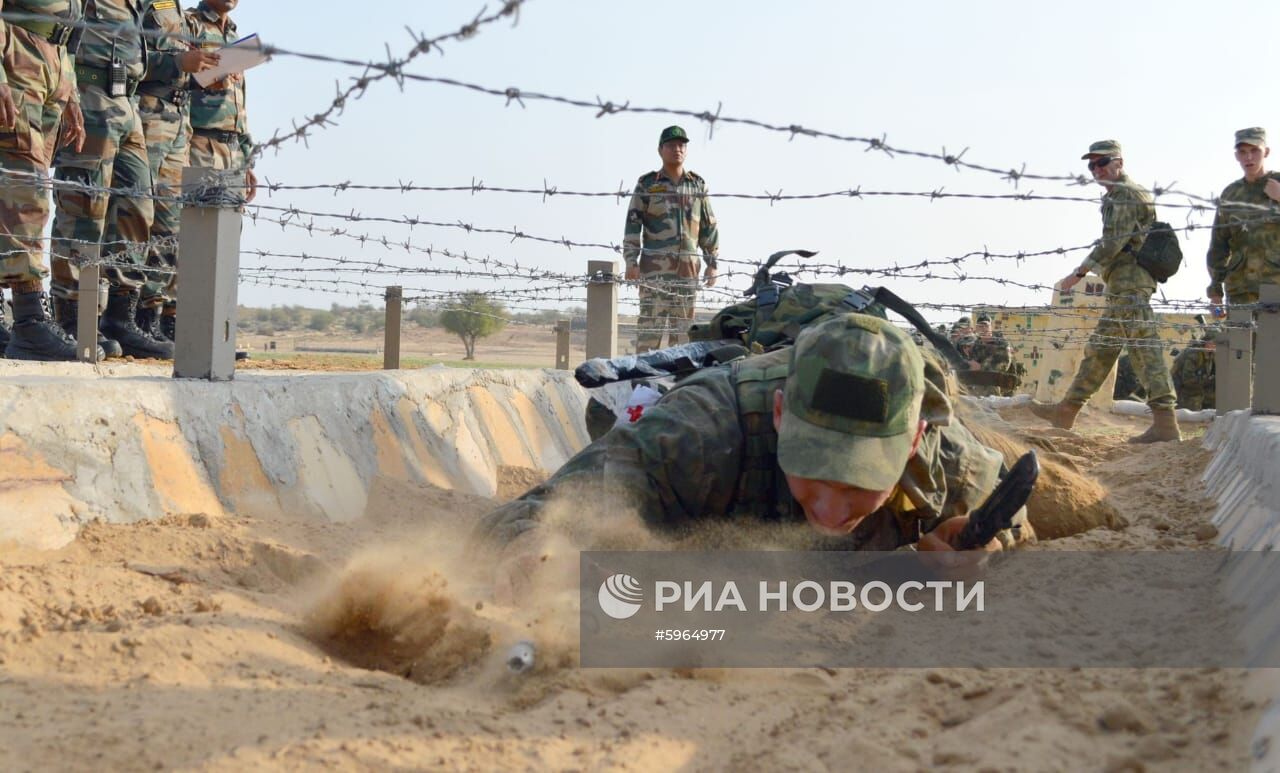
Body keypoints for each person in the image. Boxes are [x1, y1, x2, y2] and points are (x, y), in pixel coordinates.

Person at [474, 313, 1034, 596]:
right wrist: (541, 559)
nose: (835, 510)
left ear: (909, 445)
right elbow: (528, 515)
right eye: (814, 469)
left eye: (862, 480)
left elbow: (1014, 522)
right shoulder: (698, 434)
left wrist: (971, 549)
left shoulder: (944, 462)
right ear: (780, 416)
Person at [50, 0, 211, 359]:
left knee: (139, 211)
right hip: (89, 93)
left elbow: (138, 52)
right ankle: (71, 318)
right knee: (83, 209)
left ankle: (122, 316)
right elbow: (63, 34)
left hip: (127, 102)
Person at [1030, 140, 1181, 443]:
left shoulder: (1125, 194)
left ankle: (1166, 423)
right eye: (1092, 165)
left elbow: (1114, 241)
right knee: (1100, 349)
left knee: (1144, 350)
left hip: (1130, 281)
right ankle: (1066, 411)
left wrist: (1080, 271)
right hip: (1122, 281)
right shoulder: (1117, 195)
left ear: (1119, 163)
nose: (1096, 170)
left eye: (1102, 163)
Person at [106, 0, 210, 343]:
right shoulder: (140, 4)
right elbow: (124, 60)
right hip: (148, 114)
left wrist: (202, 73)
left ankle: (148, 316)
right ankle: (122, 313)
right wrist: (177, 62)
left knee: (169, 224)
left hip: (178, 119)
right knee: (136, 214)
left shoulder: (176, 9)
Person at [0, 0, 86, 360]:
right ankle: (30, 319)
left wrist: (71, 92)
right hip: (16, 56)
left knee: (23, 192)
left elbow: (67, 20)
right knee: (27, 194)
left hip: (52, 64)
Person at [622, 125, 718, 352]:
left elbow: (708, 226)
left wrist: (712, 264)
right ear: (660, 150)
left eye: (681, 145)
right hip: (654, 274)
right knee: (649, 337)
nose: (677, 149)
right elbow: (633, 224)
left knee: (683, 340)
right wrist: (630, 261)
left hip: (687, 274)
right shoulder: (648, 184)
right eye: (671, 145)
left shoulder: (697, 185)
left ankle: (678, 385)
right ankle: (642, 385)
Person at [185, 0, 256, 202]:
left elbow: (239, 102)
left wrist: (245, 159)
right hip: (199, 144)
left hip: (233, 151)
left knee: (228, 229)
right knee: (199, 226)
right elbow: (172, 79)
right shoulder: (189, 24)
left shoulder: (233, 34)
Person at [1206, 127, 1280, 313]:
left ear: (1267, 152)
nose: (1249, 157)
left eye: (1255, 150)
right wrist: (1215, 291)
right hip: (1240, 291)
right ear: (1236, 156)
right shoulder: (1231, 194)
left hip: (1275, 287)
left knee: (1273, 342)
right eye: (1243, 152)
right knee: (1239, 342)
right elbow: (1219, 245)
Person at [1171, 330, 1217, 411]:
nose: (1215, 345)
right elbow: (1188, 380)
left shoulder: (1210, 354)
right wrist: (1208, 381)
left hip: (1196, 387)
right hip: (1181, 390)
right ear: (1206, 342)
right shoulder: (1194, 354)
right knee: (1195, 406)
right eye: (1213, 342)